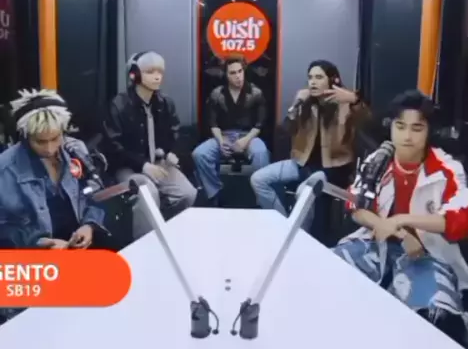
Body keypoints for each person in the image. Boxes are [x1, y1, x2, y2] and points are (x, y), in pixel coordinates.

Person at [333, 90, 468, 348]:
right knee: (329, 274)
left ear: (429, 131)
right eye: (400, 127)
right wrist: (394, 230)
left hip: (428, 254)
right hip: (375, 244)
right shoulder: (378, 160)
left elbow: (460, 219)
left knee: (433, 315)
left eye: (416, 128)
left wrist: (401, 219)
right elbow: (356, 205)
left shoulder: (447, 168)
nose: (407, 136)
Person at [250, 60, 368, 244]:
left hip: (334, 168)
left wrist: (355, 100)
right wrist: (296, 104)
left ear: (333, 80)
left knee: (303, 192)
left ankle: (299, 239)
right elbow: (286, 129)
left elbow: (369, 122)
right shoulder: (306, 104)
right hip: (302, 163)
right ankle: (285, 226)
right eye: (310, 77)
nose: (313, 82)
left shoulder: (346, 104)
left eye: (319, 77)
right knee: (258, 179)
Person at [102, 51, 197, 238]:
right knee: (148, 193)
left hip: (159, 163)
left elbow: (177, 134)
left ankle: (167, 232)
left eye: (160, 71)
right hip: (128, 166)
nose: (157, 76)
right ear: (134, 75)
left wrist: (173, 152)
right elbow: (113, 147)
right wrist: (143, 165)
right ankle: (145, 241)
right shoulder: (118, 105)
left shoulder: (165, 103)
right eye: (150, 71)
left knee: (188, 193)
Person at [0, 89, 105, 250]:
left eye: (55, 138)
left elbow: (95, 195)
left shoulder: (76, 152)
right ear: (26, 135)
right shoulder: (5, 168)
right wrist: (39, 243)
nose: (49, 148)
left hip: (79, 249)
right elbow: (4, 227)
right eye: (40, 142)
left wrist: (89, 225)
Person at [192, 56, 270, 206]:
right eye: (233, 73)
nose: (238, 76)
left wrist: (245, 140)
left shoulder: (256, 93)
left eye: (240, 71)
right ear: (226, 75)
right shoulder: (217, 94)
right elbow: (213, 123)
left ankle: (262, 197)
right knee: (200, 154)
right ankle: (214, 192)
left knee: (261, 152)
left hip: (249, 136)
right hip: (224, 136)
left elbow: (260, 124)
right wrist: (221, 141)